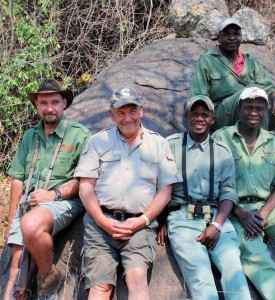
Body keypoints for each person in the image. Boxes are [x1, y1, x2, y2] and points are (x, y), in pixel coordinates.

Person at [74, 86, 181, 300]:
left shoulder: (158, 143)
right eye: (121, 112)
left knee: (137, 278)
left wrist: (143, 220)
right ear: (111, 114)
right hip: (100, 225)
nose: (127, 118)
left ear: (141, 111)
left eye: (132, 111)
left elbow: (165, 191)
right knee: (100, 287)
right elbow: (85, 187)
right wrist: (101, 221)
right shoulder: (97, 142)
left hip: (139, 226)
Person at [3, 79, 90, 300]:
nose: (49, 108)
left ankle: (48, 278)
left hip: (63, 201)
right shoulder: (30, 136)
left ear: (64, 103)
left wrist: (54, 194)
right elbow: (17, 179)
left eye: (54, 102)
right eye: (43, 103)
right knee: (16, 266)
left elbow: (85, 179)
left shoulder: (79, 135)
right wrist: (12, 218)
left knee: (31, 226)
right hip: (29, 202)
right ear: (37, 106)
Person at [157, 95, 251, 300]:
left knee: (233, 268)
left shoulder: (222, 152)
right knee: (200, 276)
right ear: (186, 116)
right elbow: (159, 184)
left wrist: (217, 226)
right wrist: (161, 219)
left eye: (204, 114)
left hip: (217, 218)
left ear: (212, 119)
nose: (199, 118)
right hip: (182, 218)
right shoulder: (170, 145)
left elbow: (228, 193)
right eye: (194, 113)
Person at [212, 86, 275, 300]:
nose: (254, 112)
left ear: (266, 111)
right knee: (259, 260)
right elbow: (212, 185)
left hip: (267, 211)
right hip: (235, 212)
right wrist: (241, 213)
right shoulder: (221, 137)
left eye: (259, 108)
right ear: (239, 108)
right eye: (249, 107)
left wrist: (263, 214)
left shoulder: (274, 141)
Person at [188, 17, 275, 155]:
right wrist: (204, 125)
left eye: (236, 34)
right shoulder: (207, 60)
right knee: (252, 93)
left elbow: (266, 83)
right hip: (224, 115)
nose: (232, 38)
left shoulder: (249, 60)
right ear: (218, 37)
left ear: (241, 37)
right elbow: (198, 96)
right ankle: (259, 154)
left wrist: (274, 93)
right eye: (226, 34)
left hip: (252, 111)